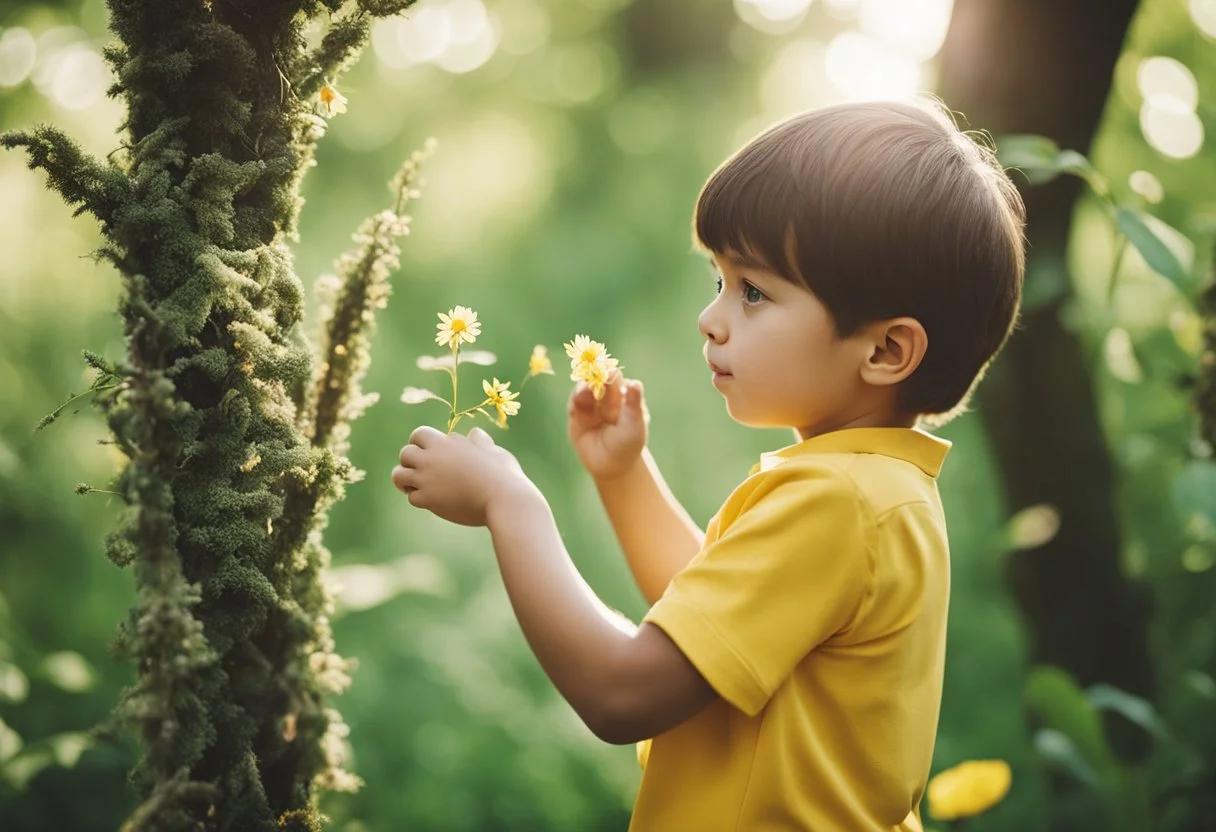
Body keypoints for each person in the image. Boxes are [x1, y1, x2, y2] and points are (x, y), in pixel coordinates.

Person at [391, 98, 1026, 831]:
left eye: (754, 291)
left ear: (884, 352)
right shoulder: (877, 491)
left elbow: (623, 693)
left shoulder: (839, 500)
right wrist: (624, 476)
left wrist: (512, 506)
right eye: (718, 281)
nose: (711, 316)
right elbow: (716, 625)